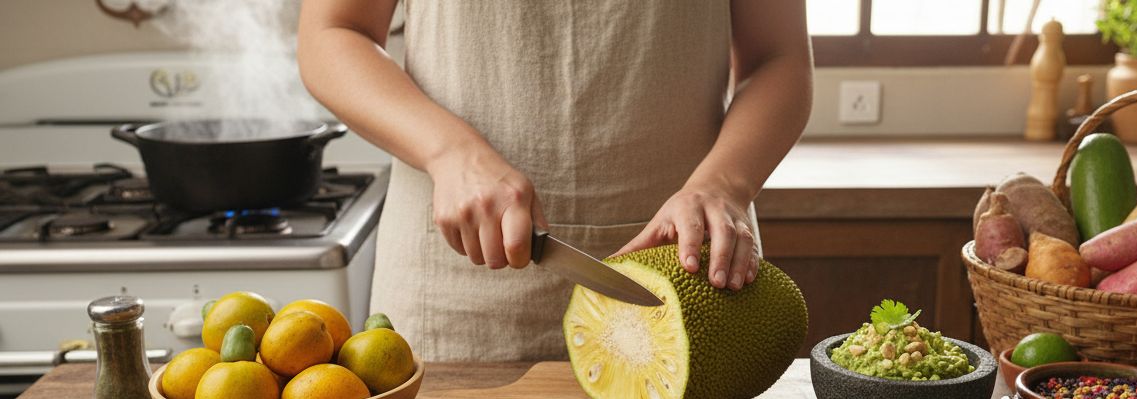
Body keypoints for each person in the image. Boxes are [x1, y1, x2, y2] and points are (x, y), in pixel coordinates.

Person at [298, 1, 812, 361]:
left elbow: (778, 56)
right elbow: (333, 32)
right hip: (455, 290)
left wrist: (723, 186)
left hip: (689, 273)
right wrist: (449, 152)